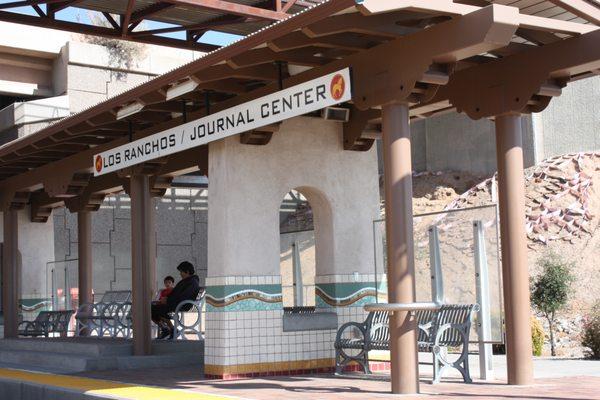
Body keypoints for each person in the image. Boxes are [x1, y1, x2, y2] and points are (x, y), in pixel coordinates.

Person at [151, 261, 201, 340]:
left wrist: (167, 300)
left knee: (152, 309)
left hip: (181, 304)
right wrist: (165, 299)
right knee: (152, 307)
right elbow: (177, 294)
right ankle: (168, 329)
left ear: (187, 272)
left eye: (181, 271)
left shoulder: (191, 283)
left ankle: (169, 329)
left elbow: (183, 296)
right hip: (176, 302)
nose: (180, 274)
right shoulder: (188, 281)